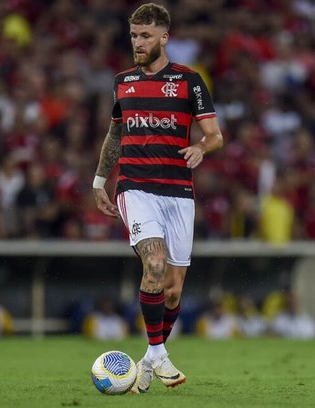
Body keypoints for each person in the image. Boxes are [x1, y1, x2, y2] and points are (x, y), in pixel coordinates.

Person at [92, 3, 223, 393]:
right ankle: (160, 355)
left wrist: (202, 148)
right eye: (134, 35)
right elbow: (115, 134)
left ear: (164, 37)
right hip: (135, 187)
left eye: (145, 35)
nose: (138, 42)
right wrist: (101, 180)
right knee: (155, 263)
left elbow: (215, 135)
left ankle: (149, 360)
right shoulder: (122, 82)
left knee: (172, 288)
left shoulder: (189, 81)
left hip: (179, 192)